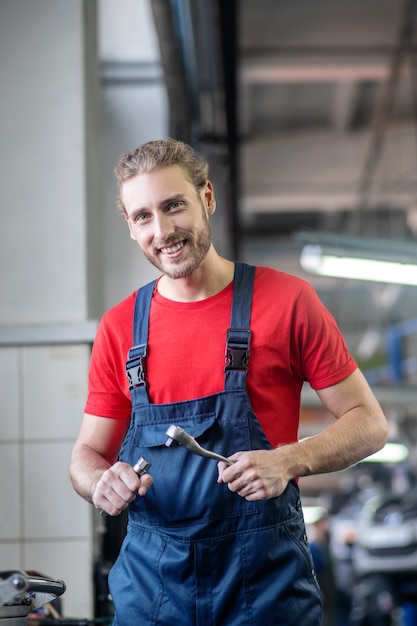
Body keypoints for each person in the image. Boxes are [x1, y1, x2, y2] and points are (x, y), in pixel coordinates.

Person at [70, 138, 388, 626]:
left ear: (207, 198)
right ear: (132, 229)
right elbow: (85, 457)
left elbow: (369, 424)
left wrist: (288, 459)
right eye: (143, 217)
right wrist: (101, 482)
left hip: (264, 586)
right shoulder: (119, 328)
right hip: (152, 589)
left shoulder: (287, 301)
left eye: (174, 205)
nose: (163, 230)